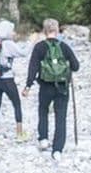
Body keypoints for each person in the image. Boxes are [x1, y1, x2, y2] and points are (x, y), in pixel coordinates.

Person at [22, 18, 80, 160]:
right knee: (61, 117)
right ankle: (57, 149)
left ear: (44, 30)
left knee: (43, 110)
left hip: (45, 86)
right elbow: (76, 66)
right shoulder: (64, 47)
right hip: (62, 87)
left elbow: (33, 67)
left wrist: (28, 85)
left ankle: (43, 139)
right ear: (57, 29)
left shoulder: (39, 47)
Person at [0, 20, 27, 146]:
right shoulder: (9, 44)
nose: (14, 32)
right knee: (16, 104)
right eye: (12, 30)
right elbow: (23, 53)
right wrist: (33, 44)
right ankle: (19, 134)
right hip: (7, 80)